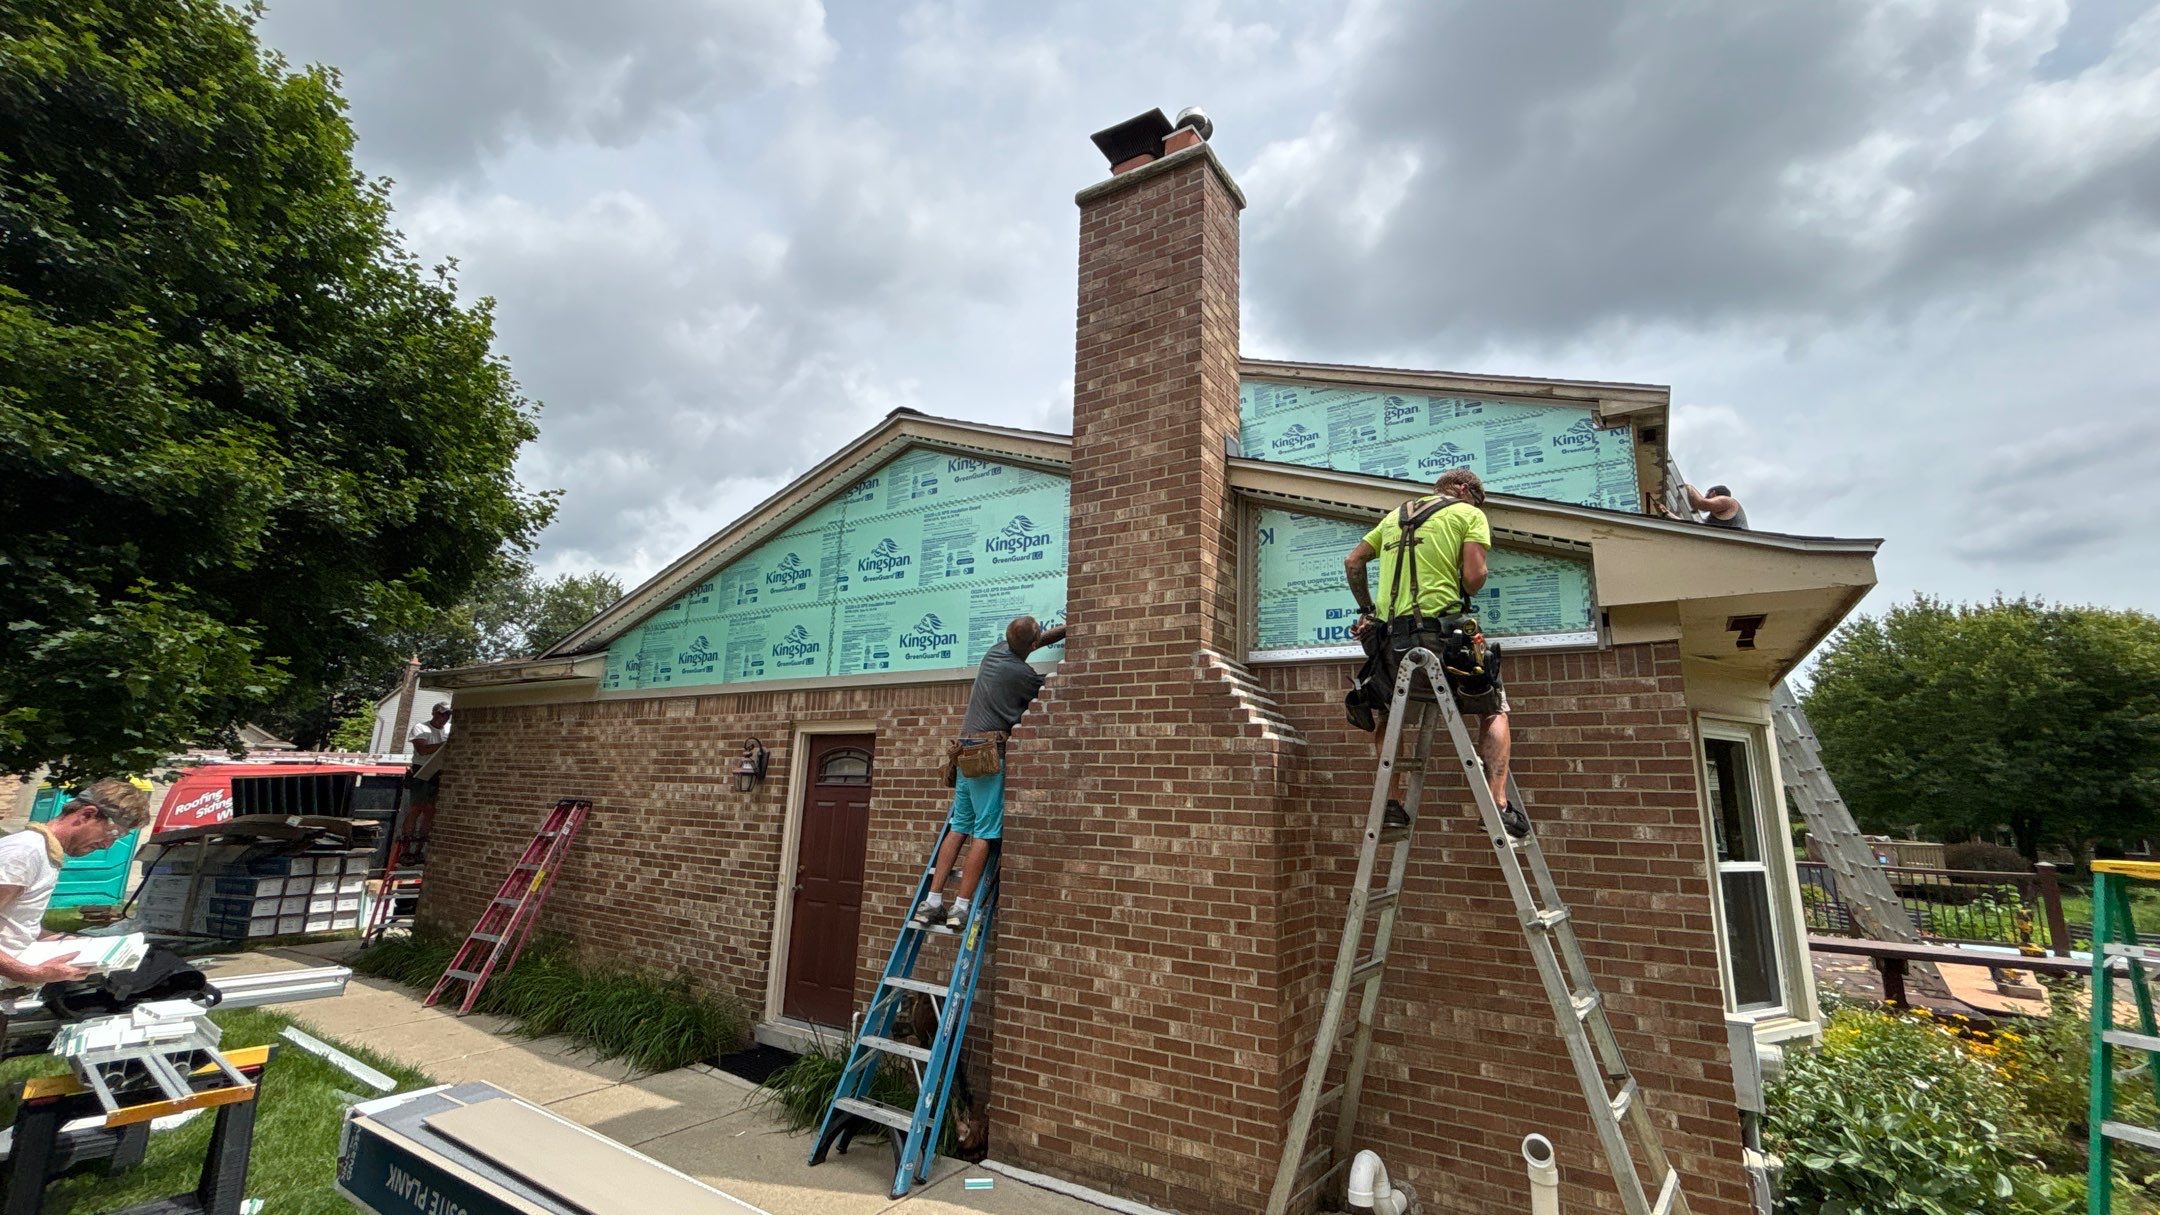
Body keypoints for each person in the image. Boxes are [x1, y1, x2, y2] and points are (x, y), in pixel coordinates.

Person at [1342, 468, 1526, 837]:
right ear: (1462, 489)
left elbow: (1353, 561)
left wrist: (1367, 610)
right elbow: (1474, 576)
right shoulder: (1468, 513)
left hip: (1394, 642)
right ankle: (1499, 807)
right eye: (1476, 498)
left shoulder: (1394, 518)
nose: (1477, 506)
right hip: (1445, 637)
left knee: (1387, 714)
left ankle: (1392, 806)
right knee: (1493, 707)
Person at [912, 615, 1068, 930]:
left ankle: (931, 903)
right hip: (988, 754)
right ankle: (960, 908)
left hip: (965, 750)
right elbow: (1050, 696)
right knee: (983, 833)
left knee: (959, 828)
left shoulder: (995, 652)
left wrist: (1064, 630)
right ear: (1033, 645)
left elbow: (1036, 641)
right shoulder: (1024, 676)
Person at [0, 779, 150, 992]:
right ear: (86, 815)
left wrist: (61, 939)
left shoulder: (45, 854)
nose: (108, 845)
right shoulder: (24, 852)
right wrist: (33, 974)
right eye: (113, 833)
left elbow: (13, 924)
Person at [1679, 483, 1749, 530]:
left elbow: (1700, 503)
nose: (1705, 497)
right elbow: (1695, 527)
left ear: (1713, 493)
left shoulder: (1729, 502)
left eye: (1707, 495)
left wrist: (1688, 487)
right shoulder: (1712, 518)